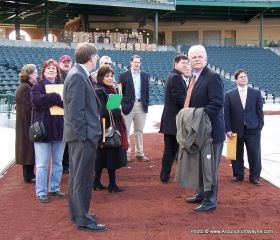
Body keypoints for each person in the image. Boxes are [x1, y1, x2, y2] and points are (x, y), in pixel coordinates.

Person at [63, 42, 106, 232]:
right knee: (82, 178)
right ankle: (83, 218)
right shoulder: (77, 76)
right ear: (91, 57)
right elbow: (74, 112)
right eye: (96, 57)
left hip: (82, 136)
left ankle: (78, 213)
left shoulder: (79, 74)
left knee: (77, 177)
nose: (96, 59)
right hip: (83, 137)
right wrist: (84, 136)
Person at [184, 45, 225, 212]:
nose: (197, 59)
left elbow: (216, 104)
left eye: (200, 56)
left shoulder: (213, 77)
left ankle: (210, 199)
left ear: (206, 59)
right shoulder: (194, 77)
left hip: (211, 132)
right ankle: (201, 193)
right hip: (199, 131)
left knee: (210, 168)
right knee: (201, 165)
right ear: (190, 60)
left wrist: (195, 117)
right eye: (194, 57)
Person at [31, 59, 66, 203]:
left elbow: (67, 105)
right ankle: (41, 192)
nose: (51, 70)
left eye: (54, 68)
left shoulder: (63, 86)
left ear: (57, 72)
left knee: (58, 163)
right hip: (43, 131)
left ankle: (54, 188)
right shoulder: (37, 86)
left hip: (60, 129)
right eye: (49, 68)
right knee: (42, 164)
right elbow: (38, 101)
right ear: (44, 71)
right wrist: (57, 97)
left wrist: (52, 100)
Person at [224, 69, 264, 186]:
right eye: (241, 77)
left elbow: (259, 111)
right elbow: (226, 114)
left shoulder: (256, 93)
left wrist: (259, 126)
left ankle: (255, 177)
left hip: (253, 129)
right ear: (236, 80)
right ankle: (238, 174)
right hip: (235, 130)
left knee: (254, 153)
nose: (244, 78)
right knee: (236, 153)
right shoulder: (229, 95)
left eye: (245, 76)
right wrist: (228, 129)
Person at [93, 66, 128, 192]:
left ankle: (97, 182)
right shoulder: (99, 90)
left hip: (110, 125)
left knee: (103, 156)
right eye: (106, 76)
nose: (110, 78)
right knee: (108, 155)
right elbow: (103, 110)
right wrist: (117, 111)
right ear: (101, 77)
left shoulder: (110, 89)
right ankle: (111, 184)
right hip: (105, 126)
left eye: (111, 76)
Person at [159, 54, 190, 184]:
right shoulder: (176, 77)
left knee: (171, 149)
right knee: (172, 149)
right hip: (175, 121)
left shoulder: (174, 76)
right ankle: (165, 176)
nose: (186, 65)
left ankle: (165, 175)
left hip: (171, 120)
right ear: (175, 64)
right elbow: (180, 99)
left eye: (187, 63)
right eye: (183, 62)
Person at [118, 55, 150, 162]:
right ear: (131, 62)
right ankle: (126, 154)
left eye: (138, 62)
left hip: (141, 105)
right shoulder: (123, 75)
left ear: (140, 63)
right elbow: (120, 92)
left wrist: (146, 104)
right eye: (135, 62)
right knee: (125, 131)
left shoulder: (145, 75)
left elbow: (147, 92)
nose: (136, 64)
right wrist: (121, 105)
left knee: (139, 131)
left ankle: (139, 153)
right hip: (127, 106)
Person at [15, 64, 38, 183]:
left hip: (25, 125)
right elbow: (27, 109)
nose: (37, 74)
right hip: (26, 125)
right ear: (29, 74)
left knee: (28, 150)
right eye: (35, 72)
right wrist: (32, 125)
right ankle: (29, 176)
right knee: (27, 150)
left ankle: (29, 175)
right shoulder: (25, 88)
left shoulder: (26, 87)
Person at [58, 54, 73, 174]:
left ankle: (65, 164)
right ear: (60, 63)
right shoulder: (58, 76)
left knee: (68, 140)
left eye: (68, 62)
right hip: (59, 112)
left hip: (69, 113)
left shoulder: (71, 75)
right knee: (62, 141)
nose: (66, 64)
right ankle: (62, 165)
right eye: (64, 62)